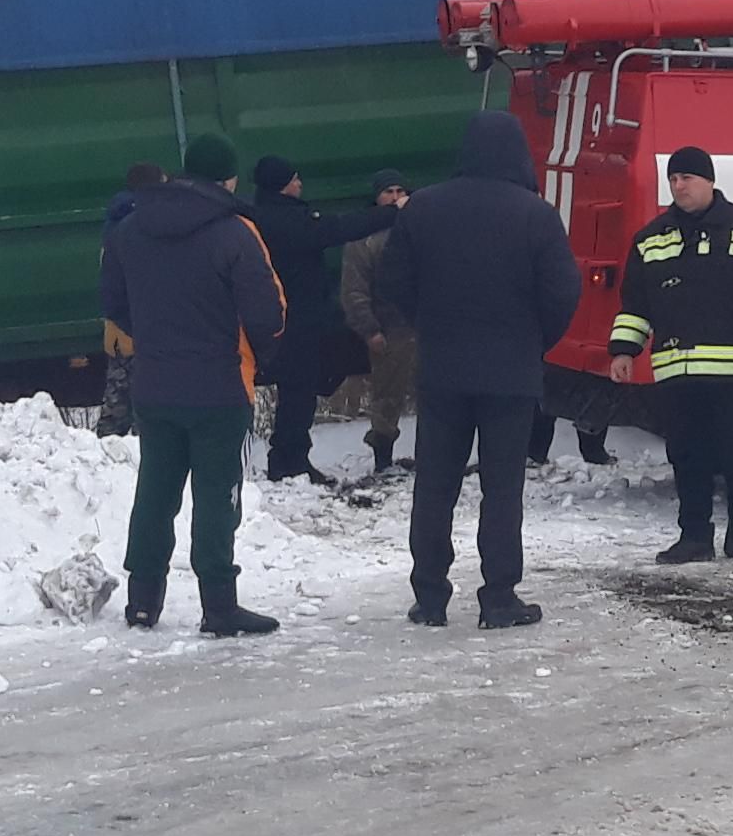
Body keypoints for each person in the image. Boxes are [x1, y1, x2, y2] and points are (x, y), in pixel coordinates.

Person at [369, 110, 582, 629]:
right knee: (502, 487)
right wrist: (534, 341)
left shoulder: (424, 210)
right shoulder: (535, 214)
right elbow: (563, 292)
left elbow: (391, 281)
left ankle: (430, 596)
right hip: (510, 375)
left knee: (435, 485)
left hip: (442, 369)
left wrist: (425, 324)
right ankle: (500, 597)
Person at [100, 134, 289, 636]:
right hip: (219, 386)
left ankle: (142, 602)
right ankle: (220, 606)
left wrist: (158, 341)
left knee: (155, 491)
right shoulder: (235, 233)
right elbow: (268, 313)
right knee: (216, 494)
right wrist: (260, 356)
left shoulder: (130, 229)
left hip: (155, 386)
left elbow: (114, 302)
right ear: (227, 180)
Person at [609, 145, 733, 563]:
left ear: (709, 181)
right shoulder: (651, 239)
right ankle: (694, 536)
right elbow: (635, 304)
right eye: (673, 179)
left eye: (687, 178)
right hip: (676, 370)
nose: (679, 186)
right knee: (686, 456)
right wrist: (624, 350)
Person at [241, 153, 398, 486]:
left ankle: (287, 457)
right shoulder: (288, 221)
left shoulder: (260, 215)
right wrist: (389, 214)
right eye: (295, 178)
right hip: (298, 321)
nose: (300, 183)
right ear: (283, 185)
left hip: (278, 318)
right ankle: (290, 461)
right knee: (299, 392)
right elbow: (338, 228)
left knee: (295, 391)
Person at [333, 170, 417, 476]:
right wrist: (369, 329)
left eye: (400, 190)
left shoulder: (423, 228)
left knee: (437, 397)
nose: (395, 198)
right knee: (387, 399)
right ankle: (383, 461)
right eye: (388, 192)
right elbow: (353, 289)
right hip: (389, 329)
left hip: (425, 327)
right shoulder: (364, 240)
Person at [93, 162, 164, 436]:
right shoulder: (144, 226)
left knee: (117, 407)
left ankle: (107, 463)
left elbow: (109, 282)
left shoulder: (114, 223)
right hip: (142, 328)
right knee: (152, 410)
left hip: (120, 327)